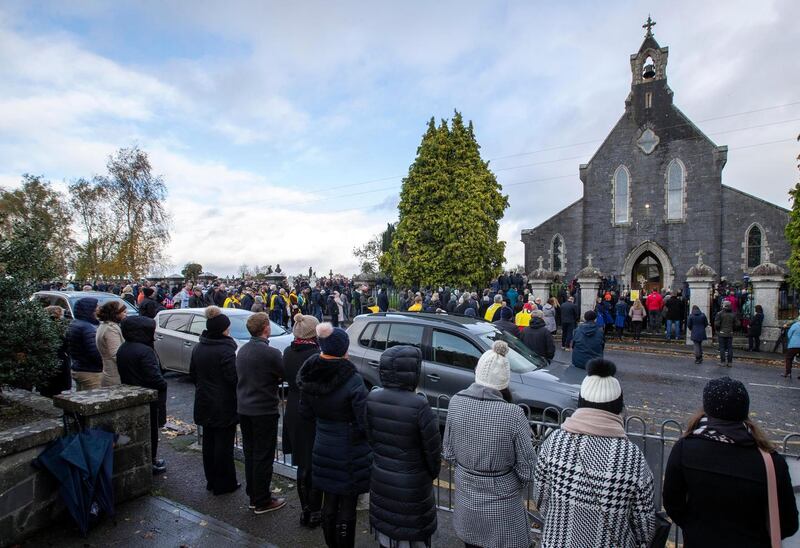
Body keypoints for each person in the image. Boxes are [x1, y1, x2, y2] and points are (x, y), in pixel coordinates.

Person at [663, 377, 799, 546]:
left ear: (706, 408)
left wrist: (695, 528)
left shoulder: (684, 449)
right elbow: (788, 524)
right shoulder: (771, 463)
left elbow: (673, 504)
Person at [534, 358, 656, 547]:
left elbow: (541, 501)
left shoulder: (554, 442)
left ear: (581, 402)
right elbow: (645, 526)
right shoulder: (632, 457)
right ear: (619, 407)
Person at [443, 341, 536, 548]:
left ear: (478, 372)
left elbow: (448, 452)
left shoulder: (456, 401)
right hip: (503, 506)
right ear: (504, 381)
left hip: (466, 500)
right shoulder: (513, 414)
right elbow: (528, 469)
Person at [297, 323, 371, 548]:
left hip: (323, 444)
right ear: (343, 350)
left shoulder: (310, 374)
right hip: (349, 448)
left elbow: (305, 413)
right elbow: (364, 420)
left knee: (329, 500)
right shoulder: (352, 379)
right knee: (347, 503)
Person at [365, 345, 442, 548]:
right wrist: (429, 474)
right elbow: (433, 452)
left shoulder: (372, 397)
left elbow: (370, 437)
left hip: (381, 477)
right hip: (413, 484)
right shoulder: (419, 405)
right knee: (413, 537)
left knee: (387, 533)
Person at [235, 312, 286, 514]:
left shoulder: (243, 350)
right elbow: (284, 374)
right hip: (263, 410)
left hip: (244, 408)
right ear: (266, 327)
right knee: (264, 456)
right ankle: (262, 500)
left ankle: (254, 495)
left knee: (251, 454)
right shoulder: (270, 353)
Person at [190, 307, 240, 496]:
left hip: (204, 400)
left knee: (209, 443)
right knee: (223, 446)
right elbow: (233, 378)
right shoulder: (225, 350)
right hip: (223, 403)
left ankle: (212, 480)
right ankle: (225, 483)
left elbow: (193, 374)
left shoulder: (199, 347)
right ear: (222, 329)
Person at [283, 314, 322, 528]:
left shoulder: (288, 351)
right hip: (311, 412)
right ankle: (314, 511)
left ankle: (305, 509)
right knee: (313, 464)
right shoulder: (315, 356)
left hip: (293, 409)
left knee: (302, 463)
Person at [117, 315, 168, 475]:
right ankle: (150, 460)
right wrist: (162, 384)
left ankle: (146, 459)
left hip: (132, 392)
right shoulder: (145, 351)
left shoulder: (124, 347)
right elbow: (154, 377)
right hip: (148, 396)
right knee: (150, 430)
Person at [67, 297, 104, 390]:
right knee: (95, 399)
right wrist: (103, 363)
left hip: (79, 367)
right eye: (96, 307)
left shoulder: (75, 323)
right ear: (90, 310)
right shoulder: (87, 328)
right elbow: (94, 352)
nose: (98, 309)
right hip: (90, 371)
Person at [38, 305, 72, 397]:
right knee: (59, 388)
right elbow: (66, 343)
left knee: (47, 388)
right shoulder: (60, 327)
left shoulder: (41, 325)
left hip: (46, 360)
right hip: (60, 358)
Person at [96, 300, 126, 386]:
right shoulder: (110, 328)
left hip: (110, 371)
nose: (125, 314)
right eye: (123, 312)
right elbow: (115, 354)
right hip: (113, 374)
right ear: (115, 313)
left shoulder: (106, 326)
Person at [714, 300, 738, 367]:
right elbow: (737, 324)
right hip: (730, 332)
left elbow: (716, 324)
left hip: (721, 333)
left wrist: (718, 330)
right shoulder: (733, 313)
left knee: (722, 348)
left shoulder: (720, 313)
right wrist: (733, 329)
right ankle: (730, 362)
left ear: (723, 305)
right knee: (730, 348)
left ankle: (723, 362)